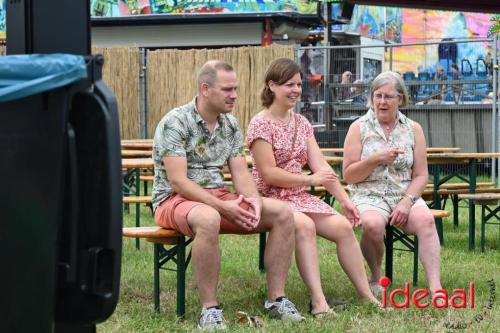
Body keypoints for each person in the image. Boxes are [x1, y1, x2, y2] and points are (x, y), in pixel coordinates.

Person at [152, 60, 305, 331]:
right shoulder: (175, 122)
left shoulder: (230, 124)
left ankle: (276, 300)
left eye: (235, 88)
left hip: (219, 197)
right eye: (227, 89)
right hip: (173, 200)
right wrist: (225, 208)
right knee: (209, 217)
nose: (234, 95)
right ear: (205, 89)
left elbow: (241, 174)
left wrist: (254, 202)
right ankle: (209, 310)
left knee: (282, 212)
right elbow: (178, 182)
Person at [246, 58, 382, 318]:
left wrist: (345, 200)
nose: (296, 90)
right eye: (289, 85)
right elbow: (270, 174)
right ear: (271, 86)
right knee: (306, 226)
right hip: (270, 197)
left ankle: (366, 295)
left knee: (343, 227)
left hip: (297, 195)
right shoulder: (260, 124)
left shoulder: (302, 123)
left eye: (299, 84)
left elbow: (322, 168)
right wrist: (310, 180)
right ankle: (319, 303)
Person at [342, 71, 443, 298]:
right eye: (377, 96)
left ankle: (436, 287)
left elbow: (420, 175)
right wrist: (374, 159)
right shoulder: (358, 127)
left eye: (388, 97)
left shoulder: (413, 128)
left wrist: (407, 203)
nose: (382, 102)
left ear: (401, 99)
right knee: (371, 224)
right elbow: (348, 176)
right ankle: (376, 278)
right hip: (368, 193)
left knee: (426, 220)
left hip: (403, 194)